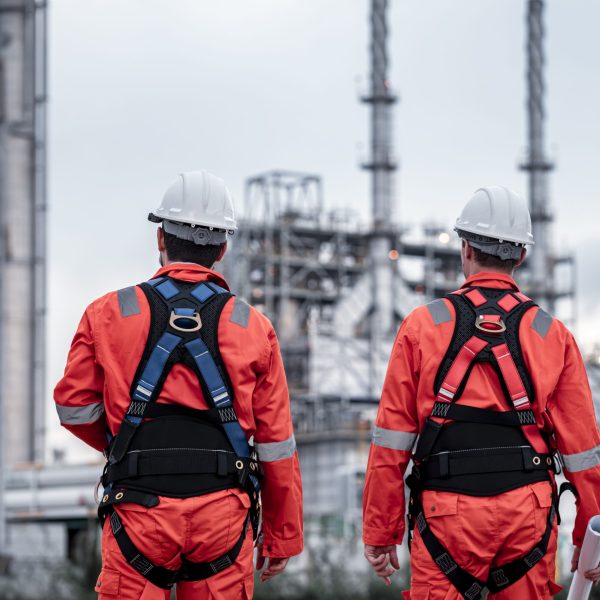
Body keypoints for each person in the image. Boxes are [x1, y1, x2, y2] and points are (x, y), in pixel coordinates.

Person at [54, 170, 303, 599]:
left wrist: (126, 446)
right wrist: (282, 535)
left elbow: (74, 407)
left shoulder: (109, 312)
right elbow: (276, 442)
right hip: (222, 515)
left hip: (138, 508)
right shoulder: (253, 326)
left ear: (160, 239)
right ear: (223, 249)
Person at [362, 186, 600, 599]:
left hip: (446, 515)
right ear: (521, 257)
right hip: (528, 513)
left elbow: (391, 441)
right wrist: (590, 533)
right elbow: (583, 451)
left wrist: (381, 531)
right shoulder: (552, 334)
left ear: (465, 248)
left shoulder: (422, 325)